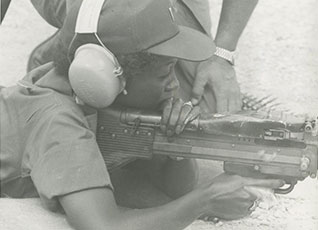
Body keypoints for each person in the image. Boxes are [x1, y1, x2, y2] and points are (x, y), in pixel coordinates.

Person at [0, 0, 284, 229]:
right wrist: (205, 201)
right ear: (109, 78)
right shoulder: (58, 121)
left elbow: (172, 191)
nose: (174, 84)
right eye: (164, 73)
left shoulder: (92, 102)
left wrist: (175, 148)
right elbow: (102, 225)